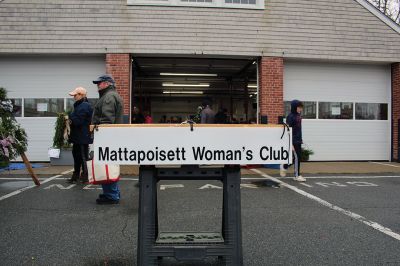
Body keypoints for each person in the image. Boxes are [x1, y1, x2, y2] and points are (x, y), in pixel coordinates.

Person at [92, 74, 124, 204]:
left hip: (106, 137)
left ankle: (111, 195)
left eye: (100, 83)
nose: (98, 85)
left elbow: (106, 120)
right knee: (110, 165)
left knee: (106, 165)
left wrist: (100, 136)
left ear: (107, 83)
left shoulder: (108, 97)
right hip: (111, 137)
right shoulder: (111, 95)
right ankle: (112, 193)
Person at [66, 87, 93, 184]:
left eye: (75, 95)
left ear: (81, 95)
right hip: (78, 137)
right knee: (77, 156)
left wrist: (69, 116)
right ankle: (76, 175)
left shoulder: (84, 106)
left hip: (82, 137)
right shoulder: (80, 105)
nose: (74, 97)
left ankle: (85, 176)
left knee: (83, 157)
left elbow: (78, 121)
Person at [280, 100, 306, 182]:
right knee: (297, 157)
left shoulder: (298, 115)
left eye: (301, 108)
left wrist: (300, 138)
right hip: (293, 140)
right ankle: (296, 175)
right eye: (299, 107)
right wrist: (290, 143)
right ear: (295, 107)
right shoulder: (290, 117)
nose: (300, 109)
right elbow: (288, 131)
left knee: (296, 158)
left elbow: (298, 129)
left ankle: (284, 166)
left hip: (298, 140)